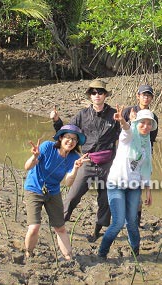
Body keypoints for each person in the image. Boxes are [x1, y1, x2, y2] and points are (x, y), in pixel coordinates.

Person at [50, 79, 121, 242]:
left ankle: (97, 231)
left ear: (105, 95)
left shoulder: (113, 114)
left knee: (105, 199)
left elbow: (126, 135)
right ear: (90, 96)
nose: (97, 95)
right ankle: (59, 224)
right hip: (87, 161)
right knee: (73, 195)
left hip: (108, 163)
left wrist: (124, 121)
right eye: (93, 92)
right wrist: (56, 121)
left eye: (100, 92)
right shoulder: (82, 115)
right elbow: (68, 131)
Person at [23, 124, 89, 261]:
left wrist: (76, 168)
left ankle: (68, 256)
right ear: (60, 138)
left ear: (77, 143)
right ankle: (28, 253)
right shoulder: (47, 147)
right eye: (67, 137)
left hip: (53, 191)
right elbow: (27, 167)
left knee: (60, 228)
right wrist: (34, 157)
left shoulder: (73, 158)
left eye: (74, 139)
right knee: (34, 226)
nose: (70, 141)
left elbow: (68, 182)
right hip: (34, 188)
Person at [97, 108, 156, 259]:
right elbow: (126, 130)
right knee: (117, 223)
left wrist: (148, 191)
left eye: (149, 124)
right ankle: (102, 253)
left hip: (134, 186)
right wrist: (123, 121)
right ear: (136, 123)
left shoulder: (147, 142)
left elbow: (146, 167)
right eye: (142, 122)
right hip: (116, 184)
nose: (145, 126)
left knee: (132, 221)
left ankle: (135, 251)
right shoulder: (129, 136)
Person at [121, 84, 159, 227]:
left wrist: (147, 158)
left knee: (138, 193)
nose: (146, 97)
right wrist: (130, 121)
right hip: (127, 155)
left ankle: (135, 222)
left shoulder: (153, 117)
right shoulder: (128, 111)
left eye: (148, 95)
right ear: (138, 96)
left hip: (142, 157)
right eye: (143, 95)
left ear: (152, 98)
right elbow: (122, 133)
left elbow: (150, 139)